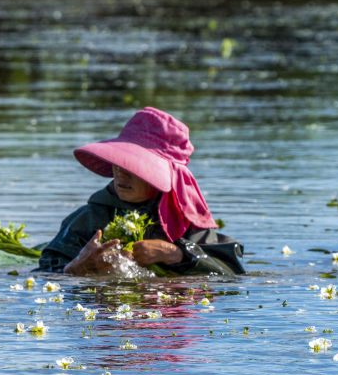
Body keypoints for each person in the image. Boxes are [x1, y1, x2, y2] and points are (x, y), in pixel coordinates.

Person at [35, 107, 245, 276]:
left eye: (134, 167)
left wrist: (175, 253)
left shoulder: (187, 223)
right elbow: (45, 270)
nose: (121, 174)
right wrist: (77, 268)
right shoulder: (90, 218)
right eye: (118, 163)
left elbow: (230, 275)